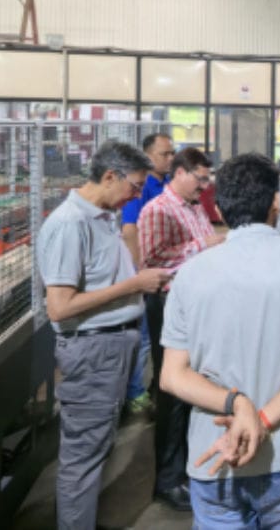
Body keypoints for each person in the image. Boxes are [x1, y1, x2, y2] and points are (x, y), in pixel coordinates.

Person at [159, 153, 280, 527]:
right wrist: (261, 420)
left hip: (215, 457)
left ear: (221, 208)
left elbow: (172, 376)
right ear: (275, 201)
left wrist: (234, 403)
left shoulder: (189, 275)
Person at [35, 141, 171, 530]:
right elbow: (59, 307)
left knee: (96, 447)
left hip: (112, 345)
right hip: (93, 349)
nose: (135, 195)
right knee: (83, 456)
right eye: (133, 186)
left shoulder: (101, 216)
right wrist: (133, 285)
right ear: (110, 176)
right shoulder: (69, 224)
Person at [138, 147, 223, 512]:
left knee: (192, 393)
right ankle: (168, 481)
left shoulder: (192, 206)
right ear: (182, 172)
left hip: (192, 307)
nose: (204, 187)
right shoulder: (159, 209)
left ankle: (187, 470)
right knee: (173, 397)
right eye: (200, 179)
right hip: (168, 305)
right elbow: (154, 261)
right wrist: (206, 244)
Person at [120, 132, 175, 417]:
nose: (170, 158)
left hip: (161, 276)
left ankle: (155, 385)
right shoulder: (141, 188)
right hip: (145, 276)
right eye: (165, 154)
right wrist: (140, 272)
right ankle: (134, 393)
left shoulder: (165, 184)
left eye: (171, 153)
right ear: (148, 155)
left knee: (156, 335)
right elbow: (130, 230)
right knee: (141, 337)